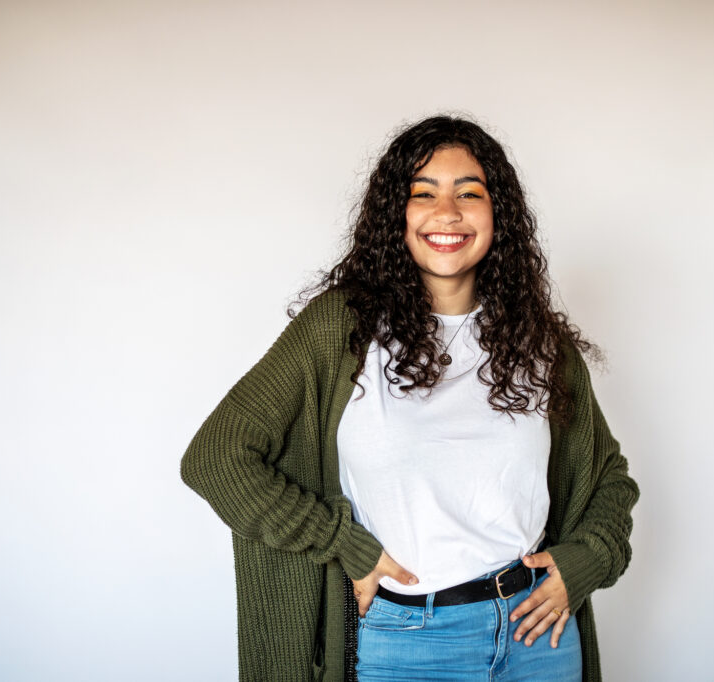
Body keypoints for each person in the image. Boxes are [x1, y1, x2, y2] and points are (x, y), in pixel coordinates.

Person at [181, 115, 639, 682]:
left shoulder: (537, 341)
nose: (447, 213)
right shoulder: (342, 332)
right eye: (424, 194)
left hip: (537, 637)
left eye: (469, 193)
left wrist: (585, 562)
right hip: (410, 642)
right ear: (396, 214)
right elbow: (216, 456)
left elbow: (608, 478)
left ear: (499, 216)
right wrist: (342, 542)